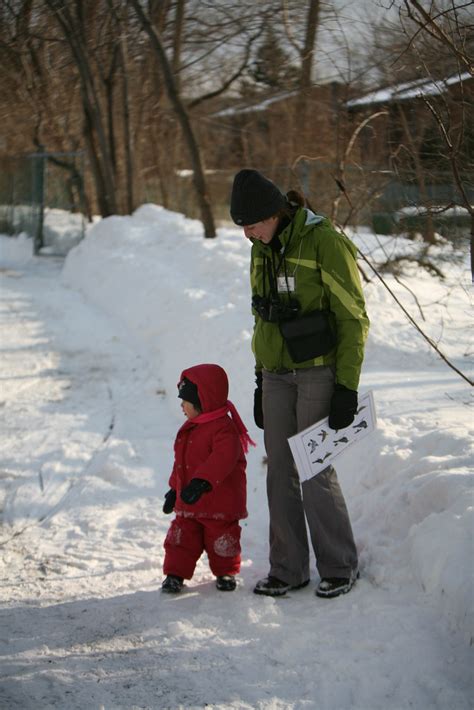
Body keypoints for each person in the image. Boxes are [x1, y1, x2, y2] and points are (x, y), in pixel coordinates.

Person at [230, 169, 370, 599]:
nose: (248, 235)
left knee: (314, 468)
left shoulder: (325, 242)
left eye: (251, 224)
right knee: (279, 471)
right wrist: (258, 379)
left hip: (317, 371)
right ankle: (288, 568)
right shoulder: (261, 247)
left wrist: (346, 386)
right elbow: (261, 315)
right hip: (276, 375)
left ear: (274, 213)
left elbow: (353, 318)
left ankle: (339, 565)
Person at [161, 363, 255, 593]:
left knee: (221, 538)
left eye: (186, 401)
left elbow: (222, 460)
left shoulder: (224, 429)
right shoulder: (190, 428)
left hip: (218, 501)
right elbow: (180, 464)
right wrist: (174, 490)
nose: (182, 405)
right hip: (188, 500)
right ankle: (175, 574)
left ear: (203, 401)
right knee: (181, 538)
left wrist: (201, 482)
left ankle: (225, 572)